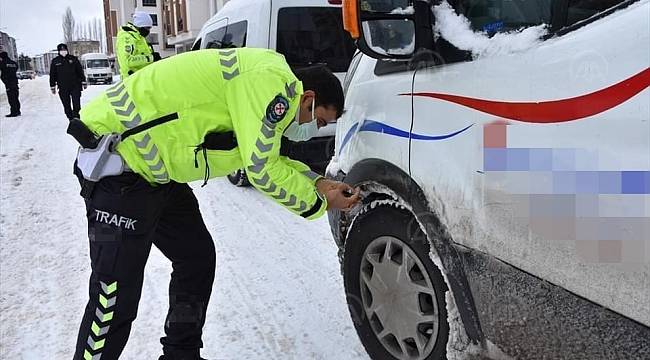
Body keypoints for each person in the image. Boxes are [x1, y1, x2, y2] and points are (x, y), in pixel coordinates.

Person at [69, 48, 360, 360]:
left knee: (196, 257)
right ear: (308, 98)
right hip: (118, 166)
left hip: (157, 174)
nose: (313, 130)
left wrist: (317, 182)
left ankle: (181, 353)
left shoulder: (269, 83)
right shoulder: (271, 85)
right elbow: (261, 169)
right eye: (318, 120)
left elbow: (270, 157)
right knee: (114, 292)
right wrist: (318, 202)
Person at [116, 10, 160, 79]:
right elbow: (128, 61)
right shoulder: (127, 38)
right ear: (140, 26)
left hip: (142, 78)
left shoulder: (139, 38)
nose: (148, 31)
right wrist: (151, 58)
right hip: (132, 80)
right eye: (147, 28)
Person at [50, 43, 86, 120]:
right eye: (61, 50)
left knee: (76, 105)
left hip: (75, 86)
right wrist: (52, 86)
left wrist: (83, 81)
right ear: (59, 51)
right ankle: (71, 119)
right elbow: (52, 75)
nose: (63, 51)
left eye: (64, 50)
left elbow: (80, 71)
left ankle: (77, 119)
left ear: (67, 50)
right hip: (63, 87)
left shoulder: (73, 59)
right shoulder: (55, 61)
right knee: (67, 106)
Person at [0, 51, 21, 117]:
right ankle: (18, 111)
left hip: (8, 83)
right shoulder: (14, 63)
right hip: (15, 82)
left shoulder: (2, 63)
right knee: (16, 97)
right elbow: (16, 68)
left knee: (11, 98)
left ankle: (14, 112)